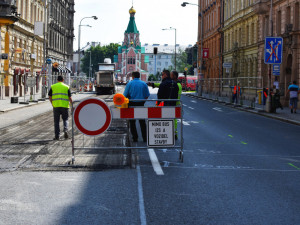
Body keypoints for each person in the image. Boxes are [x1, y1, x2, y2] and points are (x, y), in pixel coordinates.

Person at [123, 71, 150, 142]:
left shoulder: (129, 84)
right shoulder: (144, 84)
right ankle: (145, 138)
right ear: (139, 76)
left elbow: (124, 95)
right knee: (142, 122)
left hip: (132, 104)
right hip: (141, 104)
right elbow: (147, 95)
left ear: (133, 76)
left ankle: (135, 137)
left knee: (132, 122)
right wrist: (143, 101)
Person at [48, 75, 73, 140]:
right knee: (65, 119)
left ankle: (57, 136)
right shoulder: (66, 87)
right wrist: (71, 106)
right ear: (63, 80)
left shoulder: (53, 86)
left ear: (57, 80)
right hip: (65, 106)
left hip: (56, 106)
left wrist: (52, 103)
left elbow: (50, 97)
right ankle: (65, 130)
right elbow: (70, 98)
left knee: (56, 122)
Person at [170, 70, 182, 140]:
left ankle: (174, 133)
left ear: (174, 76)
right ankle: (174, 133)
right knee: (174, 120)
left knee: (174, 120)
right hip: (175, 104)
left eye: (171, 75)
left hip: (174, 104)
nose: (170, 76)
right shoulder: (177, 84)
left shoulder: (176, 85)